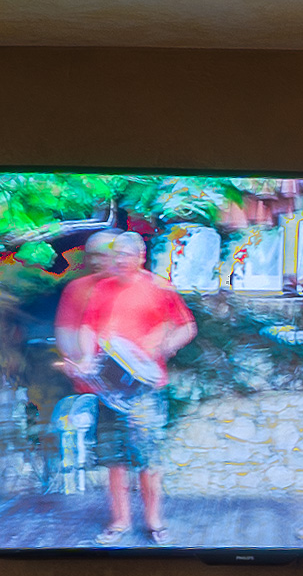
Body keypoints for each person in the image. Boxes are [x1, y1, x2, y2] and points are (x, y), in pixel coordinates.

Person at [50, 228, 197, 546]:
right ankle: (119, 521)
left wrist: (166, 345)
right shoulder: (101, 289)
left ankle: (154, 522)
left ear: (141, 257)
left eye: (125, 255)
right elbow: (88, 327)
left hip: (145, 389)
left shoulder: (160, 287)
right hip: (108, 389)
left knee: (148, 459)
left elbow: (187, 326)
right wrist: (86, 358)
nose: (118, 261)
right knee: (113, 459)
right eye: (115, 255)